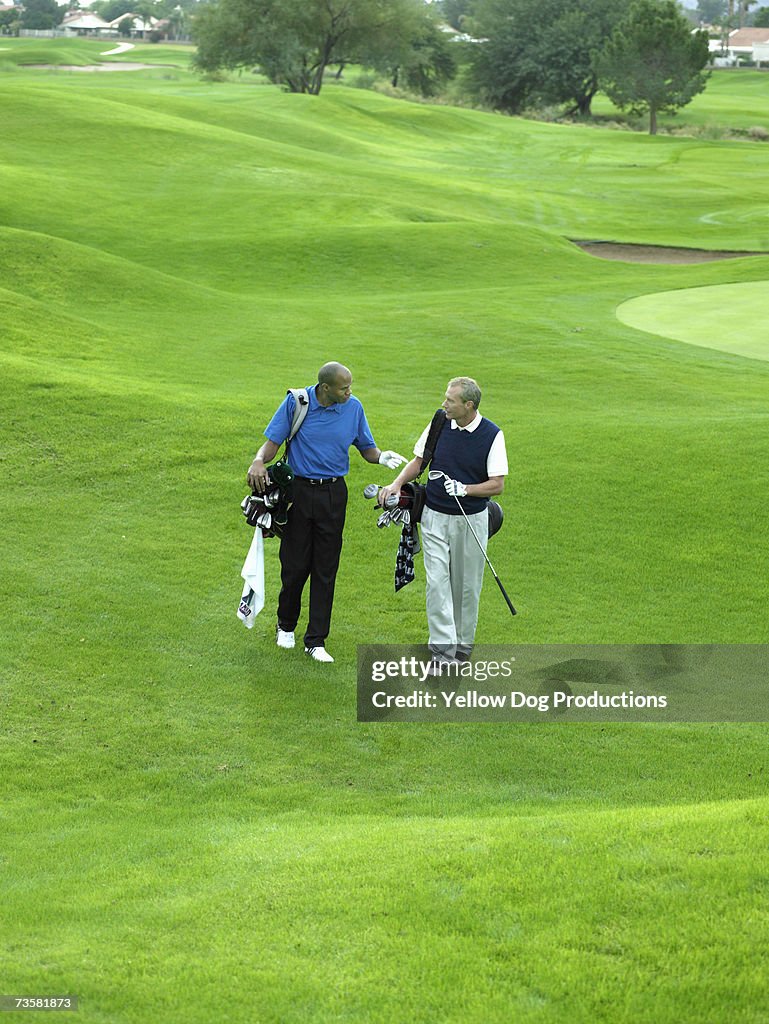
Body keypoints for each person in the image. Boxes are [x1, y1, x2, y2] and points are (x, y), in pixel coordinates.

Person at [247, 362, 404, 664]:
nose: (350, 391)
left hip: (334, 494)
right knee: (294, 564)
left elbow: (366, 448)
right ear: (325, 388)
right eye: (344, 387)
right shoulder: (297, 403)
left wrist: (381, 457)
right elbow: (272, 444)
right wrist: (257, 461)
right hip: (300, 494)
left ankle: (316, 640)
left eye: (350, 386)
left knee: (325, 567)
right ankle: (286, 625)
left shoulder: (353, 407)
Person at [379, 377, 508, 667]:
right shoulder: (439, 423)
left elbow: (496, 484)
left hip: (470, 519)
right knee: (437, 584)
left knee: (465, 586)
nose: (443, 404)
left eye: (450, 400)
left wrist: (465, 489)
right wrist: (397, 483)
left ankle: (462, 647)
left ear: (468, 405)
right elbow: (419, 461)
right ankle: (442, 651)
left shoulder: (492, 435)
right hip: (433, 516)